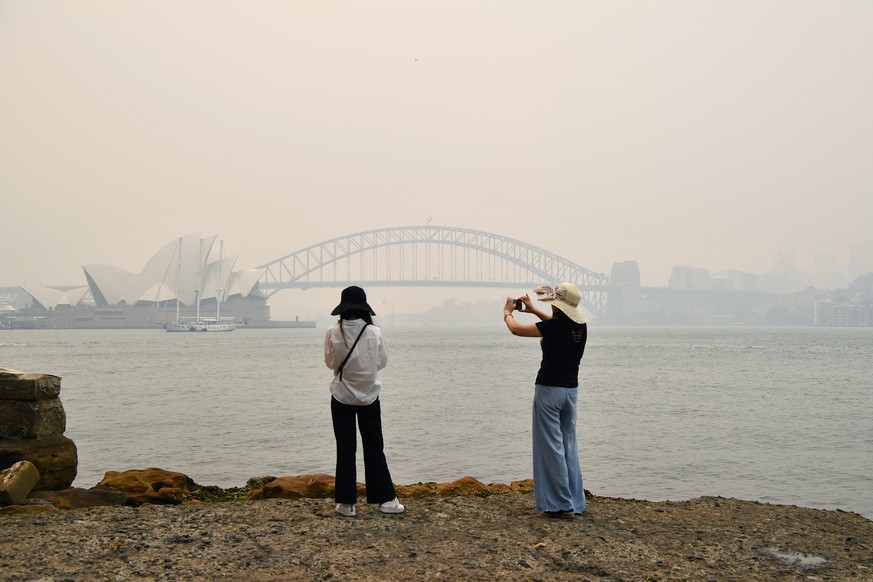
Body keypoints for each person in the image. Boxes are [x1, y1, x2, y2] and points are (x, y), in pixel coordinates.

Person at [502, 282, 588, 519]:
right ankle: (575, 502)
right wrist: (534, 310)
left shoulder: (555, 327)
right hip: (570, 392)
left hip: (549, 390)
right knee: (568, 445)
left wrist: (507, 313)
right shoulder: (580, 326)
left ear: (557, 306)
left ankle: (560, 504)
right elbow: (555, 326)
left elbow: (517, 330)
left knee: (550, 447)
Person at [324, 285, 404, 517]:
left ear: (342, 308)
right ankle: (386, 500)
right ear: (364, 309)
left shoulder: (333, 332)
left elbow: (330, 363)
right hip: (369, 396)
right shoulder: (374, 333)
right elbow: (382, 362)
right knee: (374, 448)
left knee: (346, 449)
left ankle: (347, 504)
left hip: (341, 396)